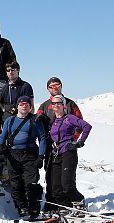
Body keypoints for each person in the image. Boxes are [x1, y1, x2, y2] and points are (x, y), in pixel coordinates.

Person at [37, 77, 83, 212]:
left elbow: (80, 122)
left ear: (61, 86)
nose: (54, 88)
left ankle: (68, 202)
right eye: (51, 86)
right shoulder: (44, 105)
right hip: (50, 146)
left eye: (56, 85)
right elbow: (38, 122)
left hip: (67, 146)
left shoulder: (70, 104)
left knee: (67, 177)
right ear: (47, 89)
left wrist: (73, 140)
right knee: (51, 175)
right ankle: (51, 202)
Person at [0, 96, 46, 218]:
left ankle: (34, 209)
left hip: (29, 155)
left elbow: (42, 139)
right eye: (22, 104)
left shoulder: (35, 120)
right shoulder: (10, 120)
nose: (24, 106)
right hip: (13, 156)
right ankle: (22, 207)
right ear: (17, 106)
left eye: (27, 104)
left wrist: (41, 156)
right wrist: (0, 146)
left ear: (30, 107)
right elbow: (3, 135)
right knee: (16, 184)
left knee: (31, 183)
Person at [48, 95, 92, 211]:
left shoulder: (69, 118)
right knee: (56, 188)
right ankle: (66, 208)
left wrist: (80, 142)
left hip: (68, 152)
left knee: (67, 184)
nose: (56, 105)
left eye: (59, 103)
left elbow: (87, 126)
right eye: (54, 103)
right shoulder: (52, 120)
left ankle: (79, 202)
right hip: (56, 154)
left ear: (63, 105)